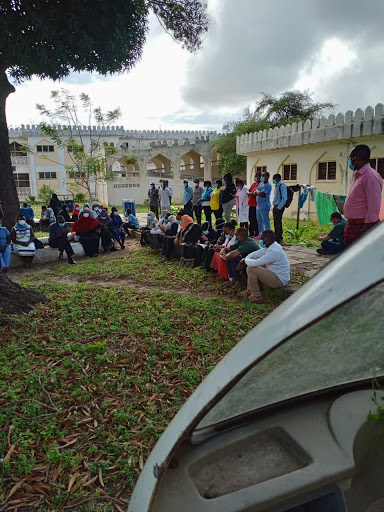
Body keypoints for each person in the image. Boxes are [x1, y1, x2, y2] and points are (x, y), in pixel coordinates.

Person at [343, 144, 383, 247]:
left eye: (350, 158)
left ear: (357, 158)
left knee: (359, 260)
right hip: (353, 225)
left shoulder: (370, 176)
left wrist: (366, 229)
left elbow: (374, 206)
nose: (350, 161)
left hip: (361, 227)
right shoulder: (360, 176)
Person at [240, 230, 290, 303]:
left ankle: (257, 296)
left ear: (268, 239)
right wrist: (247, 258)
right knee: (253, 261)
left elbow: (257, 262)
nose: (260, 240)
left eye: (262, 238)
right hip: (274, 274)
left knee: (251, 268)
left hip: (279, 280)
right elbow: (256, 254)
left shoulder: (274, 251)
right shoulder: (271, 246)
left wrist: (245, 261)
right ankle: (250, 290)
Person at [255, 171, 272, 239]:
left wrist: (258, 192)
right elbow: (256, 190)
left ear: (267, 177)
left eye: (263, 176)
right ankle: (260, 234)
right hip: (258, 205)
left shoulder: (268, 185)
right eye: (261, 176)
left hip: (264, 205)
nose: (262, 177)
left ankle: (268, 235)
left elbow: (263, 194)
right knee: (259, 221)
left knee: (265, 221)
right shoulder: (261, 183)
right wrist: (258, 192)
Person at [272, 174, 288, 243]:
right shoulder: (277, 186)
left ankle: (278, 237)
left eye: (274, 178)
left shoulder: (282, 186)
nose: (273, 180)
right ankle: (277, 236)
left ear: (278, 178)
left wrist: (279, 207)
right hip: (275, 206)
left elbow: (284, 198)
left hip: (279, 207)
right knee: (276, 222)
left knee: (278, 222)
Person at [247, 171, 261, 237]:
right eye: (255, 176)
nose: (255, 177)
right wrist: (250, 193)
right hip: (250, 204)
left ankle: (256, 232)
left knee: (255, 219)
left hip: (256, 205)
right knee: (251, 219)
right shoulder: (254, 184)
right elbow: (248, 191)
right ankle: (251, 232)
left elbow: (254, 194)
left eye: (257, 176)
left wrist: (250, 193)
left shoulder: (260, 184)